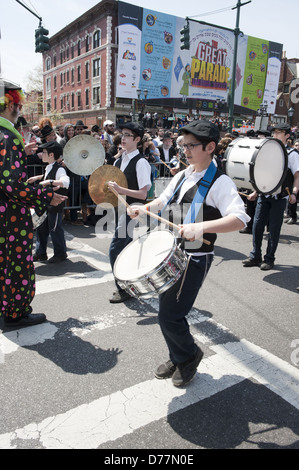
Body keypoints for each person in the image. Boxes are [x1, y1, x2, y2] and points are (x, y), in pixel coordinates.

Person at [128, 120, 249, 387]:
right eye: (183, 145)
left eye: (191, 145)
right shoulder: (183, 174)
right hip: (169, 253)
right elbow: (163, 201)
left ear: (210, 147)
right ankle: (178, 354)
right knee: (167, 312)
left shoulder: (220, 182)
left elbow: (240, 219)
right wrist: (143, 207)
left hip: (195, 258)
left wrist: (201, 226)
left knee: (170, 315)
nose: (185, 150)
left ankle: (189, 355)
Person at [0, 79, 67, 328]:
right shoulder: (7, 137)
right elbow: (11, 185)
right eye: (18, 103)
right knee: (16, 263)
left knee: (3, 261)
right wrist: (46, 196)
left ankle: (4, 306)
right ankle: (16, 312)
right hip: (10, 216)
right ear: (11, 104)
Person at [243, 122, 299, 270]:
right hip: (264, 195)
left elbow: (297, 176)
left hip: (280, 197)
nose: (274, 135)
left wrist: (294, 192)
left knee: (274, 229)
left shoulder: (292, 154)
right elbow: (263, 175)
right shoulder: (267, 151)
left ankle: (269, 259)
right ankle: (255, 256)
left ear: (287, 135)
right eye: (273, 132)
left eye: (278, 132)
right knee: (257, 226)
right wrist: (256, 192)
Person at [107, 122, 151, 303]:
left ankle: (124, 288)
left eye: (127, 135)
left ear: (138, 140)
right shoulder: (119, 160)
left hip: (133, 212)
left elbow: (143, 193)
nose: (122, 138)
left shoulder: (141, 162)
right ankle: (131, 285)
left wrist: (121, 189)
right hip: (120, 209)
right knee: (127, 249)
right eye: (121, 134)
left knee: (115, 249)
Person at [28, 141, 69, 263]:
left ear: (51, 155)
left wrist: (48, 182)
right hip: (45, 204)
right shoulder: (49, 167)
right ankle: (41, 252)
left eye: (44, 152)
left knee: (55, 228)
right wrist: (38, 178)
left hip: (55, 205)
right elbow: (48, 174)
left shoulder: (59, 169)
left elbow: (65, 182)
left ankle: (60, 253)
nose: (41, 154)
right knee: (41, 228)